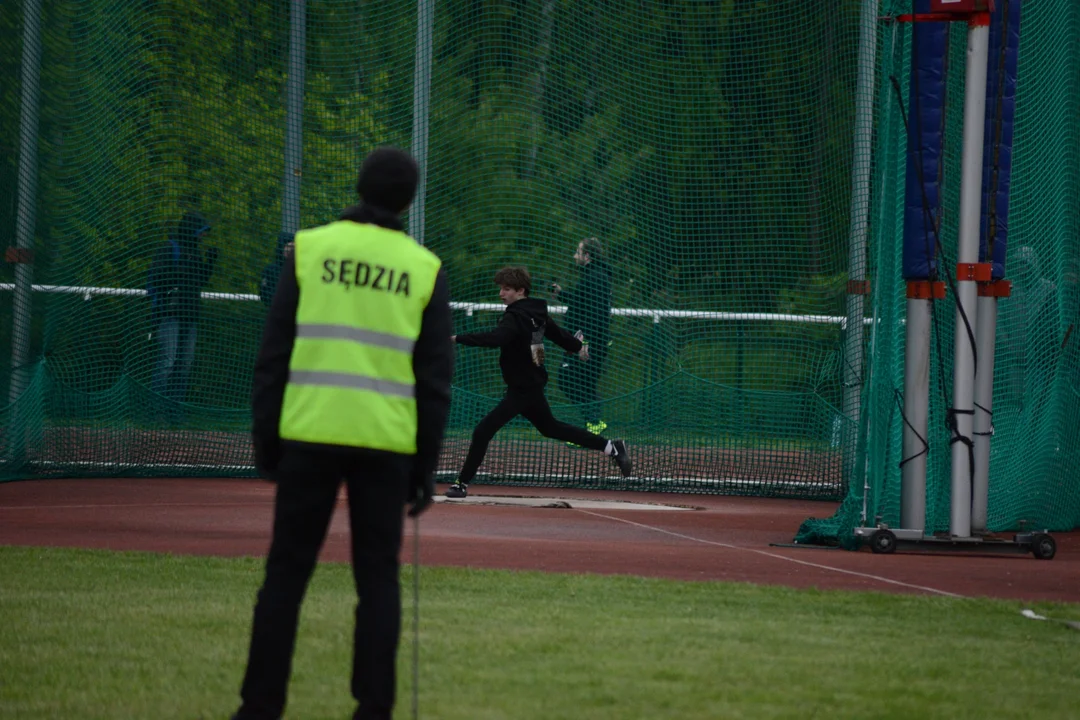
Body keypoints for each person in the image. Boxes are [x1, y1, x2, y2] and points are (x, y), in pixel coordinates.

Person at [233, 147, 454, 720]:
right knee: (377, 580)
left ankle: (259, 708)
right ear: (409, 199)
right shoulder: (423, 267)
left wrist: (266, 441)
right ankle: (373, 709)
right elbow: (433, 382)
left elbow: (273, 355)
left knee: (285, 575)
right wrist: (424, 467)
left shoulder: (309, 250)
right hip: (385, 445)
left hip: (309, 434)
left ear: (359, 186)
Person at [446, 266, 630, 499]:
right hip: (530, 384)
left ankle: (461, 484)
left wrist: (456, 338)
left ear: (521, 290)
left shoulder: (515, 316)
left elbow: (497, 338)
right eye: (501, 288)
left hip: (523, 389)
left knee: (483, 431)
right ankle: (613, 448)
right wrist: (577, 347)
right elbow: (558, 334)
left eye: (507, 289)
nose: (501, 294)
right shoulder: (536, 311)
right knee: (551, 428)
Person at [147, 210, 219, 407]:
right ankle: (155, 411)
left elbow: (200, 281)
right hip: (170, 314)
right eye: (201, 231)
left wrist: (210, 263)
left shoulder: (195, 252)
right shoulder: (170, 248)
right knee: (168, 362)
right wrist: (177, 276)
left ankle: (174, 411)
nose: (204, 236)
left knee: (184, 365)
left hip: (190, 314)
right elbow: (157, 277)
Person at [553, 237, 612, 434]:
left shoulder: (596, 277)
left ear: (587, 256)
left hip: (589, 341)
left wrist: (584, 342)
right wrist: (561, 294)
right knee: (582, 383)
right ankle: (594, 425)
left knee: (567, 379)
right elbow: (582, 302)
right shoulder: (593, 276)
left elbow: (596, 314)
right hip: (586, 340)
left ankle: (594, 424)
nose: (574, 256)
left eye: (577, 252)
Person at [259, 231, 295, 306]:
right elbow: (264, 295)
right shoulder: (271, 270)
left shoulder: (300, 269)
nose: (290, 250)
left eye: (293, 248)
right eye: (288, 247)